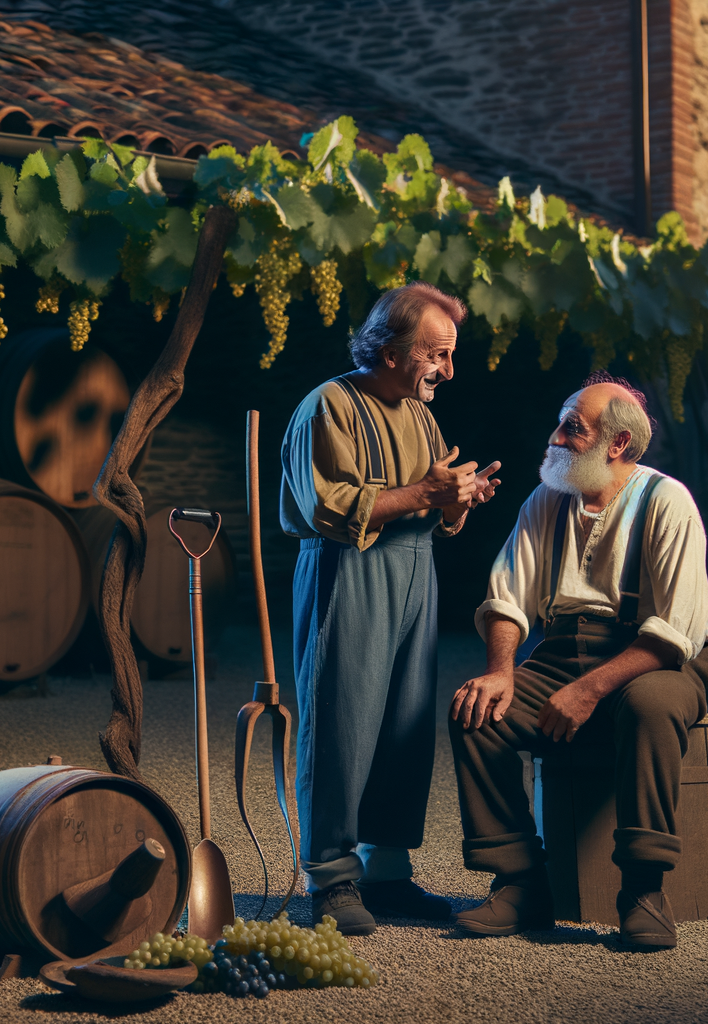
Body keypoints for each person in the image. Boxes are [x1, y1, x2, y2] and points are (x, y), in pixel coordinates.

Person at [447, 371, 708, 949]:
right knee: (474, 710)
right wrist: (502, 672)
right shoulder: (548, 499)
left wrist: (589, 689)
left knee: (651, 706)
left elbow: (674, 630)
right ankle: (522, 883)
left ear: (617, 443)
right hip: (562, 652)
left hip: (661, 657)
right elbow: (506, 595)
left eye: (571, 427)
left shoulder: (666, 500)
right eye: (560, 423)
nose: (554, 436)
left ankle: (644, 891)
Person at [279, 282, 501, 935]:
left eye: (450, 355)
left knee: (404, 727)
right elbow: (326, 508)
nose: (448, 371)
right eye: (436, 354)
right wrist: (426, 492)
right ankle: (330, 876)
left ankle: (387, 872)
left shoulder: (419, 414)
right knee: (341, 720)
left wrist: (456, 502)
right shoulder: (329, 407)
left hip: (415, 575)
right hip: (348, 572)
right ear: (388, 348)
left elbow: (432, 506)